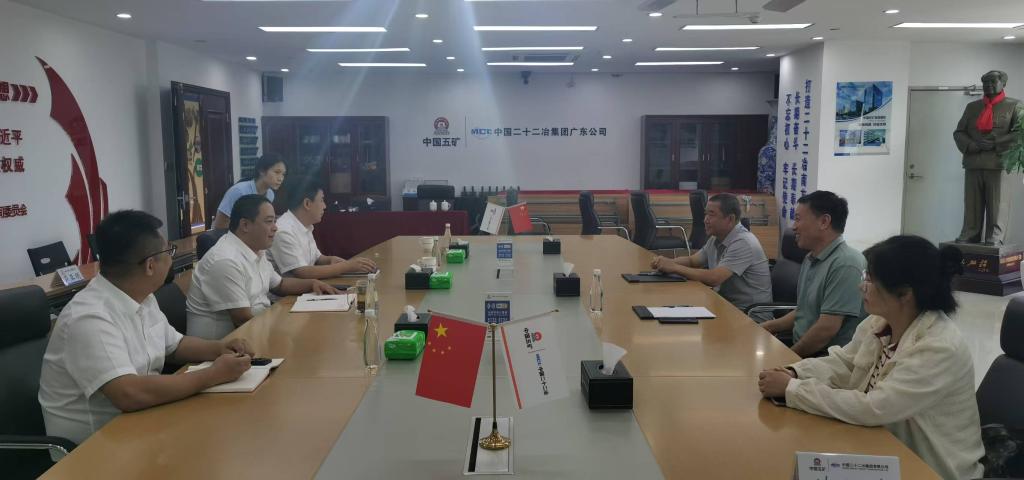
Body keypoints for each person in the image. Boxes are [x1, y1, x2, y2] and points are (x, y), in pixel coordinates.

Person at [757, 236, 984, 480]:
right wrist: (796, 372)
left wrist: (793, 389)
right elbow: (844, 363)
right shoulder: (880, 321)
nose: (861, 286)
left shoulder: (939, 347)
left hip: (931, 468)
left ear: (905, 294)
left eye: (870, 280)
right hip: (883, 446)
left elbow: (875, 407)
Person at [38, 211, 254, 445]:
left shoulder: (142, 296)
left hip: (142, 423)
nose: (171, 259)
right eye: (169, 252)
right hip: (93, 448)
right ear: (150, 265)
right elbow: (129, 393)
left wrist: (219, 348)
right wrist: (213, 375)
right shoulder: (88, 317)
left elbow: (175, 345)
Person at [187, 194, 338, 340]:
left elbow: (280, 284)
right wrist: (288, 325)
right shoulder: (225, 260)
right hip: (223, 348)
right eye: (269, 221)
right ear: (245, 225)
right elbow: (242, 319)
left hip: (253, 333)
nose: (275, 228)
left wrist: (313, 284)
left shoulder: (256, 249)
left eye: (275, 221)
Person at [760, 191, 866, 357]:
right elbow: (804, 311)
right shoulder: (811, 257)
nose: (794, 226)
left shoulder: (846, 264)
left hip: (825, 358)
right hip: (802, 348)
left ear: (824, 222)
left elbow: (826, 329)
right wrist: (768, 326)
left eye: (798, 219)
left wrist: (788, 359)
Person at [650, 193, 773, 322]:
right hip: (725, 307)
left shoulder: (743, 242)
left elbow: (714, 278)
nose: (705, 220)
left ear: (730, 219)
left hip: (750, 317)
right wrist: (666, 262)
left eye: (711, 215)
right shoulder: (716, 237)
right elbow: (693, 261)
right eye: (706, 214)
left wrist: (674, 267)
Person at [953, 70, 1021, 246]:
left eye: (992, 82)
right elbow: (959, 132)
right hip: (973, 163)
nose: (988, 85)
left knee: (998, 203)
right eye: (985, 83)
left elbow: (1020, 133)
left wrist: (996, 142)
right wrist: (971, 145)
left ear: (1003, 84)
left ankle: (995, 236)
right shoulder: (972, 107)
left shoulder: (1015, 105)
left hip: (999, 163)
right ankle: (970, 232)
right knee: (972, 203)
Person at [268, 177, 377, 278]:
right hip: (288, 293)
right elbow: (302, 272)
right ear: (307, 204)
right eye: (321, 200)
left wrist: (330, 260)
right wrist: (347, 266)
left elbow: (317, 258)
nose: (324, 206)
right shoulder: (284, 231)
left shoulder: (305, 225)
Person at [211, 153, 287, 230]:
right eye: (277, 172)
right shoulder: (239, 191)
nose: (280, 178)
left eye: (283, 174)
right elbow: (220, 224)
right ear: (262, 171)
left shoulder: (270, 194)